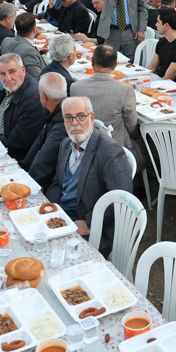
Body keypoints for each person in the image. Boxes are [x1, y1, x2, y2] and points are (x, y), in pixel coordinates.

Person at [45, 96, 133, 256]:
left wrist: (90, 223)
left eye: (80, 116)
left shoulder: (109, 150)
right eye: (68, 118)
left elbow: (121, 200)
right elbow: (57, 182)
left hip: (90, 229)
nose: (75, 123)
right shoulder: (65, 144)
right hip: (62, 219)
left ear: (91, 117)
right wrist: (53, 210)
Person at [71, 45, 144, 166]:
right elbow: (131, 125)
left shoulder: (75, 87)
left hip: (84, 144)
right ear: (115, 65)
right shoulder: (125, 89)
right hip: (116, 147)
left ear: (92, 61)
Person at [18, 73, 68, 188]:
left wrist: (26, 184)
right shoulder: (56, 111)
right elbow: (39, 142)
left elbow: (42, 163)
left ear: (43, 97)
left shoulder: (63, 122)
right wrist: (23, 166)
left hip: (55, 185)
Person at [147, 8, 176, 81]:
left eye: (158, 22)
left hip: (170, 87)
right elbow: (152, 67)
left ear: (166, 25)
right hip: (158, 80)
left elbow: (167, 79)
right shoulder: (163, 41)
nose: (156, 25)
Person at [0, 13, 45, 79]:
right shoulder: (29, 52)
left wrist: (35, 50)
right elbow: (37, 80)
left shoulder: (6, 41)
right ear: (34, 30)